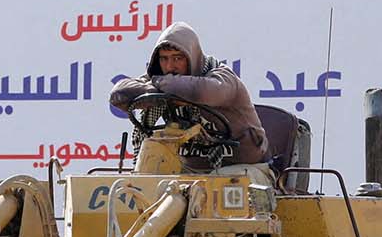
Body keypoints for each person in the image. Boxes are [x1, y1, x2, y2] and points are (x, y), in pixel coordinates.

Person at [109, 21, 270, 177]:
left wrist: (166, 86)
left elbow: (206, 92)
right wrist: (158, 91)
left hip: (247, 170)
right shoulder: (163, 81)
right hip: (189, 173)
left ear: (192, 57)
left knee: (219, 187)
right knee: (147, 183)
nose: (170, 66)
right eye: (164, 59)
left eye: (178, 58)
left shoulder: (223, 78)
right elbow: (119, 94)